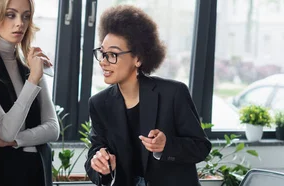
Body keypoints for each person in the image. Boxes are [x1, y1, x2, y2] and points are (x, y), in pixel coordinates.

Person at [85, 5, 211, 186]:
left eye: (112, 54)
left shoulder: (173, 93)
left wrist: (166, 146)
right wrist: (100, 163)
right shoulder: (99, 103)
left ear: (138, 58)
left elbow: (201, 147)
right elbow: (96, 150)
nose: (104, 62)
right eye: (102, 54)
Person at [0, 0, 59, 185]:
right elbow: (6, 130)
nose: (20, 23)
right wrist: (33, 80)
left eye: (26, 16)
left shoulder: (31, 62)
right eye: (11, 14)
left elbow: (53, 128)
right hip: (0, 173)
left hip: (37, 170)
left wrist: (15, 142)